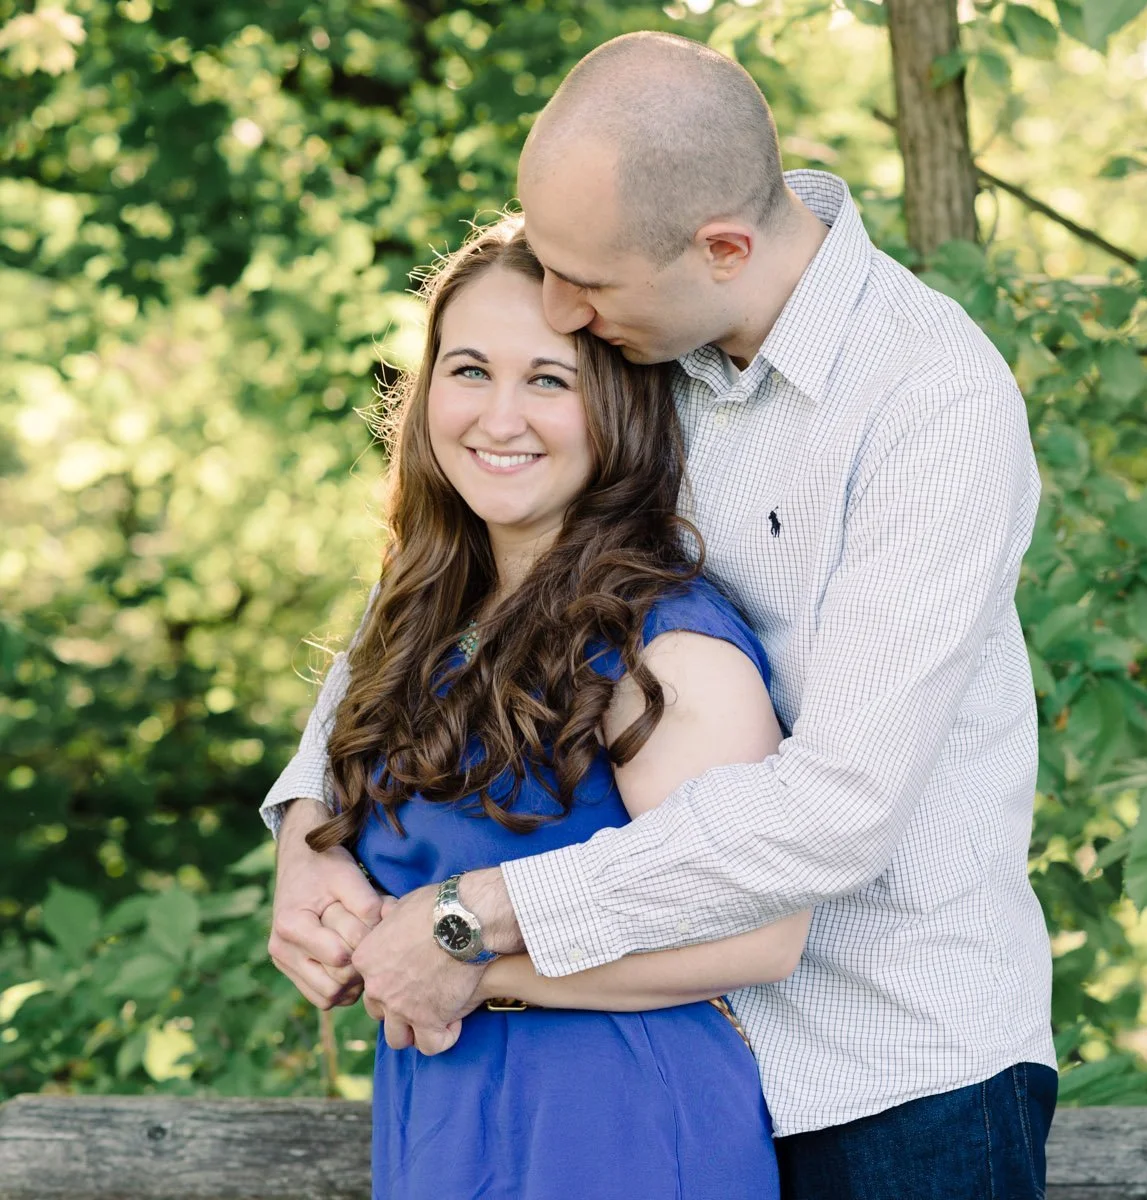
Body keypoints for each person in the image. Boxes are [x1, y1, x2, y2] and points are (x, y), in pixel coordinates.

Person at [264, 30, 1057, 1199]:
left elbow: (839, 812)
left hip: (891, 1071)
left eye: (583, 288)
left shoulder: (931, 406)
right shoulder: (652, 325)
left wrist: (468, 924)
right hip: (647, 1044)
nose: (559, 312)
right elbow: (464, 567)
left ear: (723, 247)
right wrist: (307, 820)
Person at [304, 215, 799, 1198]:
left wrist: (473, 968)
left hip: (616, 1123)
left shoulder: (665, 638)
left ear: (617, 405)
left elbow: (761, 933)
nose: (498, 417)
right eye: (469, 369)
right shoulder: (427, 612)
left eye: (549, 380)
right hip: (446, 1115)